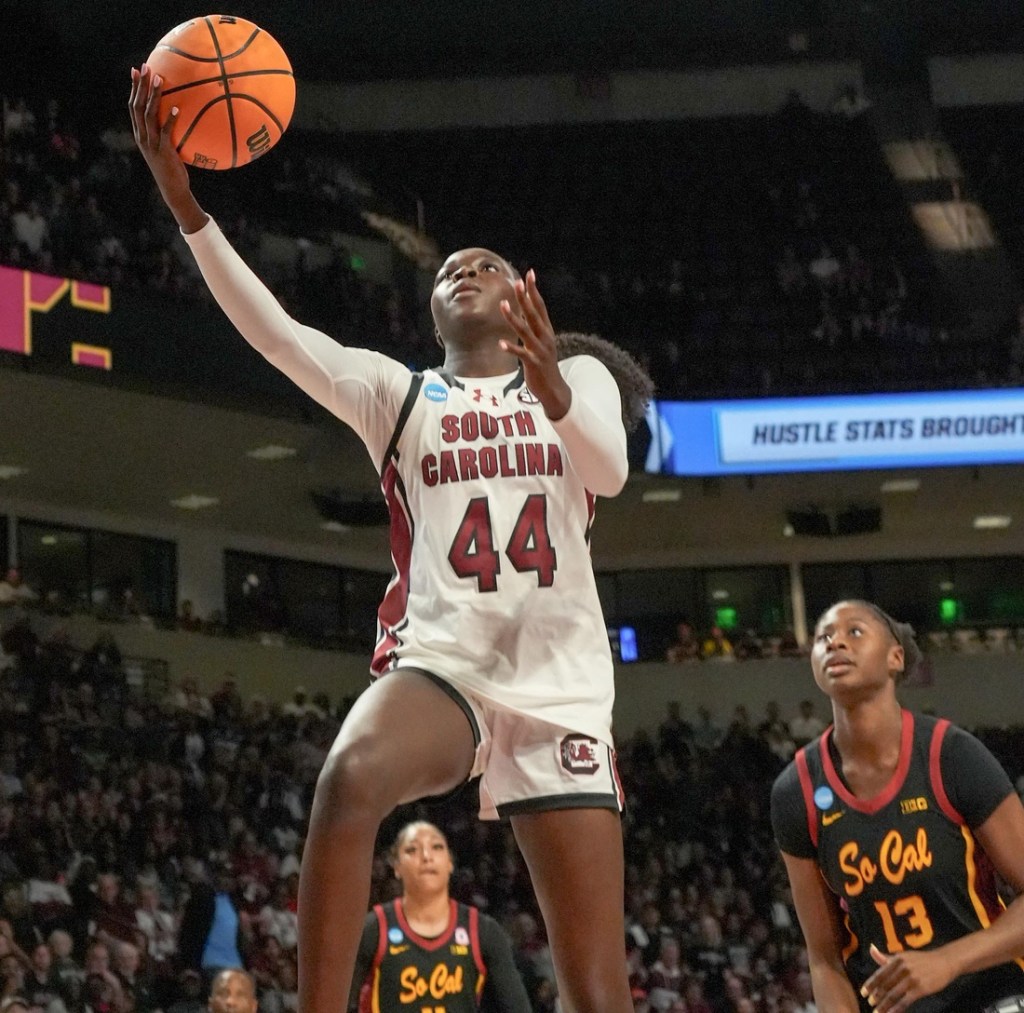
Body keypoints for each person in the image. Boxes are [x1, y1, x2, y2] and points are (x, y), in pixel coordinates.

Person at [129, 65, 653, 1013]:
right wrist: (188, 210)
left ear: (523, 298)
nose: (464, 268)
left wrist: (556, 385)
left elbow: (609, 470)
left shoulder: (581, 379)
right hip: (443, 667)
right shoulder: (399, 392)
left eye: (487, 263)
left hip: (563, 692)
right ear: (432, 310)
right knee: (349, 775)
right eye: (450, 266)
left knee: (598, 995)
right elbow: (281, 336)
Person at [770, 599, 1024, 1012]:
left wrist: (948, 961)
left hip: (991, 992)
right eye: (823, 637)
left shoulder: (951, 755)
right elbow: (824, 960)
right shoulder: (795, 791)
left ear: (895, 657)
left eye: (854, 632)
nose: (835, 642)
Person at [349, 822, 530, 1012]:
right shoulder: (373, 929)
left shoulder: (483, 930)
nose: (426, 857)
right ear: (396, 866)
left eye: (437, 847)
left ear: (450, 863)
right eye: (412, 849)